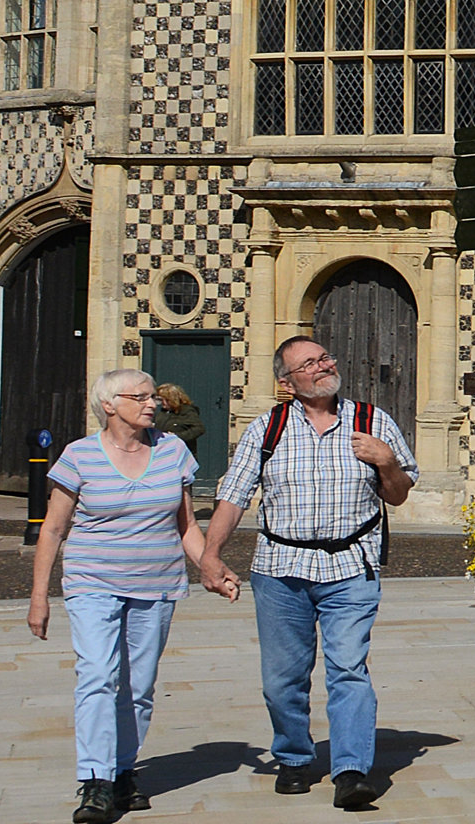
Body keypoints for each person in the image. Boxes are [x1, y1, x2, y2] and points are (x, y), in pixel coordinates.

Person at [199, 334, 416, 810]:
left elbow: (398, 494)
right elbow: (234, 496)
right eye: (309, 363)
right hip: (280, 570)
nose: (322, 367)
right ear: (287, 380)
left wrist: (387, 462)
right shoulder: (267, 429)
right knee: (282, 678)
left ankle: (352, 768)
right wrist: (210, 555)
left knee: (348, 669)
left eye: (325, 358)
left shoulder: (372, 422)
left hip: (350, 566)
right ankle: (295, 756)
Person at [30, 368, 237, 824]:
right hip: (91, 582)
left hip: (157, 583)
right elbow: (54, 529)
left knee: (138, 687)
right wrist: (39, 596)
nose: (152, 403)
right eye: (140, 397)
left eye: (152, 397)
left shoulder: (173, 452)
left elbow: (186, 526)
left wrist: (211, 567)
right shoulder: (78, 456)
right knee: (99, 677)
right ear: (109, 404)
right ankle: (95, 781)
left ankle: (124, 769)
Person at [154, 382, 206, 456]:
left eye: (166, 400)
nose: (162, 403)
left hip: (182, 453)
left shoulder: (186, 411)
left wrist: (177, 436)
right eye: (159, 400)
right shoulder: (161, 412)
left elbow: (199, 429)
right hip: (163, 451)